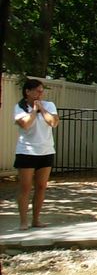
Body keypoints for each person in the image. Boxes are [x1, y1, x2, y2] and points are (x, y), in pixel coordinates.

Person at [13, 79, 59, 229]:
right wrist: (33, 110)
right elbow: (25, 125)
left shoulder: (49, 105)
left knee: (41, 187)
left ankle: (36, 219)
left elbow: (53, 122)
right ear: (28, 91)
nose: (41, 93)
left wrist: (42, 109)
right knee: (25, 187)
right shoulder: (19, 107)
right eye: (38, 91)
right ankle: (23, 221)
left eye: (42, 91)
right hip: (26, 151)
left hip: (46, 151)